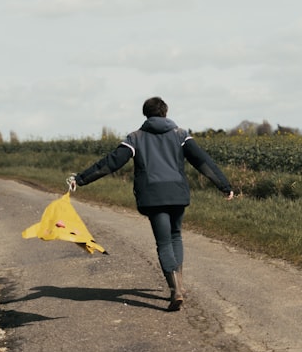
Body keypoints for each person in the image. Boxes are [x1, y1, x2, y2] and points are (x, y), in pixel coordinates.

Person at [71, 97, 234, 311]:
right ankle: (180, 286)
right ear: (165, 112)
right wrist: (224, 185)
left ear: (145, 114)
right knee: (175, 236)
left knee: (164, 242)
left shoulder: (135, 138)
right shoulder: (180, 135)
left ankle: (175, 290)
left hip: (153, 197)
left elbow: (111, 162)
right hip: (177, 194)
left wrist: (81, 179)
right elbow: (202, 160)